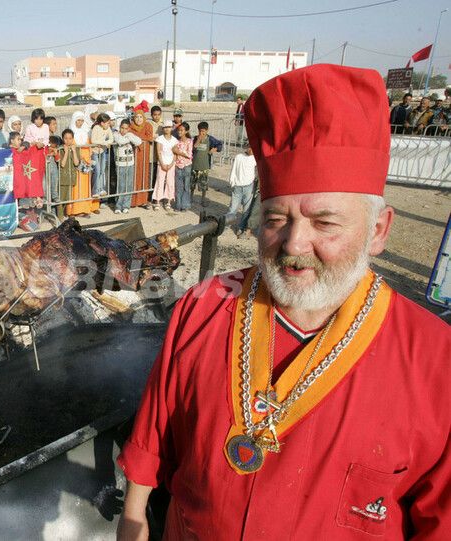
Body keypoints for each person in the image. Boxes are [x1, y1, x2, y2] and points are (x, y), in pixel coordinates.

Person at [116, 63, 451, 541]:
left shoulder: (437, 360)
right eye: (276, 219)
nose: (293, 243)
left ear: (378, 231)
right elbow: (156, 426)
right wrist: (133, 518)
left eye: (324, 223)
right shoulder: (204, 305)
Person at [67, 111, 99, 216]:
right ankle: (75, 209)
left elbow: (89, 147)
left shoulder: (84, 133)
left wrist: (87, 158)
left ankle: (85, 208)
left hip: (86, 163)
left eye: (82, 121)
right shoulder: (70, 133)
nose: (80, 123)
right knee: (76, 186)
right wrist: (80, 157)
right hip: (75, 162)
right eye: (78, 120)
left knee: (85, 186)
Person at [112, 119, 142, 214]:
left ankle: (126, 206)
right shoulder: (116, 135)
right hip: (120, 163)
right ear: (119, 127)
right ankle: (118, 205)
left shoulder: (130, 134)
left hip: (130, 163)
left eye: (126, 128)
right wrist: (128, 139)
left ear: (129, 128)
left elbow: (139, 141)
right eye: (122, 128)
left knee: (129, 185)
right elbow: (120, 141)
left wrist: (129, 138)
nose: (124, 130)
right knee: (121, 185)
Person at [227, 145, 257, 238]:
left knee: (246, 210)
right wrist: (233, 182)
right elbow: (234, 169)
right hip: (238, 186)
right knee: (233, 208)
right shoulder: (239, 157)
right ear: (247, 147)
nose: (251, 150)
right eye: (249, 147)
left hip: (249, 186)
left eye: (253, 148)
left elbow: (257, 171)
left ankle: (241, 228)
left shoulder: (255, 159)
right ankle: (226, 225)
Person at [190, 121, 222, 207]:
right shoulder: (195, 138)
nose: (201, 133)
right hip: (194, 165)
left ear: (207, 130)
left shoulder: (210, 139)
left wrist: (214, 149)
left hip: (204, 166)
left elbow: (220, 145)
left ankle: (203, 199)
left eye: (203, 131)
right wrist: (198, 140)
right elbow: (192, 149)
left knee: (203, 184)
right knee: (192, 184)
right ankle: (191, 198)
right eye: (200, 131)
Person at [128, 108, 153, 208]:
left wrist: (136, 139)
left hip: (144, 155)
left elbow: (149, 137)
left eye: (141, 117)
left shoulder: (147, 126)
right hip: (134, 155)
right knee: (134, 176)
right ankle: (133, 201)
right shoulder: (131, 127)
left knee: (143, 176)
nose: (138, 119)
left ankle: (143, 200)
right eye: (137, 117)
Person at [150, 120, 177, 211]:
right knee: (160, 181)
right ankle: (158, 201)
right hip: (161, 163)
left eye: (169, 127)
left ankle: (169, 201)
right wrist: (162, 163)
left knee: (170, 182)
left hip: (171, 164)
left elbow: (175, 153)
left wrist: (171, 164)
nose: (167, 129)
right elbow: (158, 152)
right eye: (165, 127)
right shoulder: (160, 139)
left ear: (172, 128)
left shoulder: (174, 140)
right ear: (163, 128)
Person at [56, 128, 81, 220]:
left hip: (71, 176)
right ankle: (59, 217)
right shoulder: (60, 149)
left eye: (70, 138)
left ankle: (65, 213)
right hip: (63, 177)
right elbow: (62, 164)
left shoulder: (75, 148)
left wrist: (74, 151)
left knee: (67, 197)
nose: (68, 141)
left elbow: (76, 163)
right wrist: (66, 152)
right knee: (61, 198)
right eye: (66, 138)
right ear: (63, 139)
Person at [90, 112, 113, 197]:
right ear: (102, 123)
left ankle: (102, 188)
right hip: (95, 152)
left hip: (102, 151)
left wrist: (106, 143)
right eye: (107, 123)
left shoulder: (108, 128)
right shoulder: (96, 128)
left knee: (102, 170)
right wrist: (104, 143)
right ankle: (95, 190)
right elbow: (93, 140)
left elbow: (111, 138)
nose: (108, 125)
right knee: (97, 170)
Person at [173, 121, 193, 212]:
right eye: (179, 130)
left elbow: (189, 154)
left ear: (186, 131)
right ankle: (178, 205)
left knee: (186, 186)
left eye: (182, 130)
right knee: (178, 186)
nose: (179, 132)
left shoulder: (189, 141)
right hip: (178, 165)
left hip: (186, 165)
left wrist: (179, 152)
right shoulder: (176, 141)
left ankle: (185, 205)